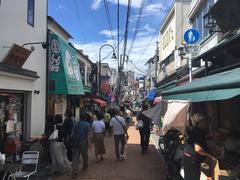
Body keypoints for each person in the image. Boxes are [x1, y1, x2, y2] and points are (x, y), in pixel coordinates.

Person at [182, 113, 215, 180]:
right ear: (199, 122)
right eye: (205, 121)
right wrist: (209, 155)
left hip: (189, 158)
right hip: (191, 160)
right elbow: (198, 149)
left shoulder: (197, 130)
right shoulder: (196, 132)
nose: (207, 123)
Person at [71, 113, 91, 179]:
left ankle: (75, 171)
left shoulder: (75, 123)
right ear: (85, 118)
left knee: (75, 157)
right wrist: (89, 143)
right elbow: (88, 135)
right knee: (84, 154)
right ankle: (85, 164)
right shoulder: (87, 124)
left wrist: (72, 140)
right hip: (83, 141)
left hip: (76, 141)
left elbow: (72, 133)